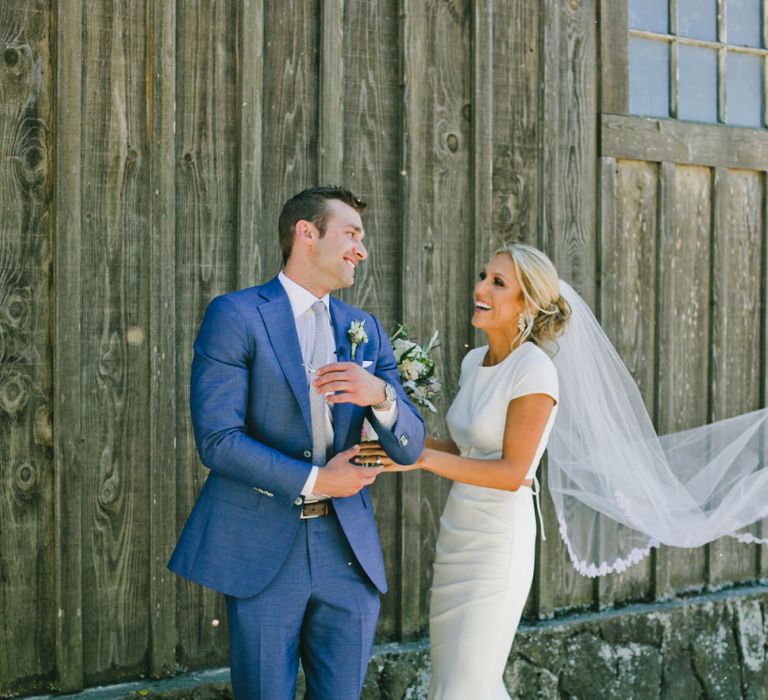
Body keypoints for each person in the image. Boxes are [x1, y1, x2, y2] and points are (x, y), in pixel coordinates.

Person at [168, 186, 426, 699]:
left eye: (362, 238)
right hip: (266, 549)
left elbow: (410, 446)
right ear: (306, 234)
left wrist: (381, 395)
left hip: (346, 552)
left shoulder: (365, 330)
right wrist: (318, 480)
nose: (362, 249)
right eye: (350, 234)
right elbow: (219, 440)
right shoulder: (236, 316)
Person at [365, 242, 570, 699]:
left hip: (497, 544)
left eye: (498, 283)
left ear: (528, 303)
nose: (480, 288)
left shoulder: (534, 371)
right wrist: (392, 444)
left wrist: (422, 459)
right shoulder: (474, 362)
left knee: (468, 684)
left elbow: (512, 471)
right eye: (483, 276)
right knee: (450, 679)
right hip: (458, 532)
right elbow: (465, 448)